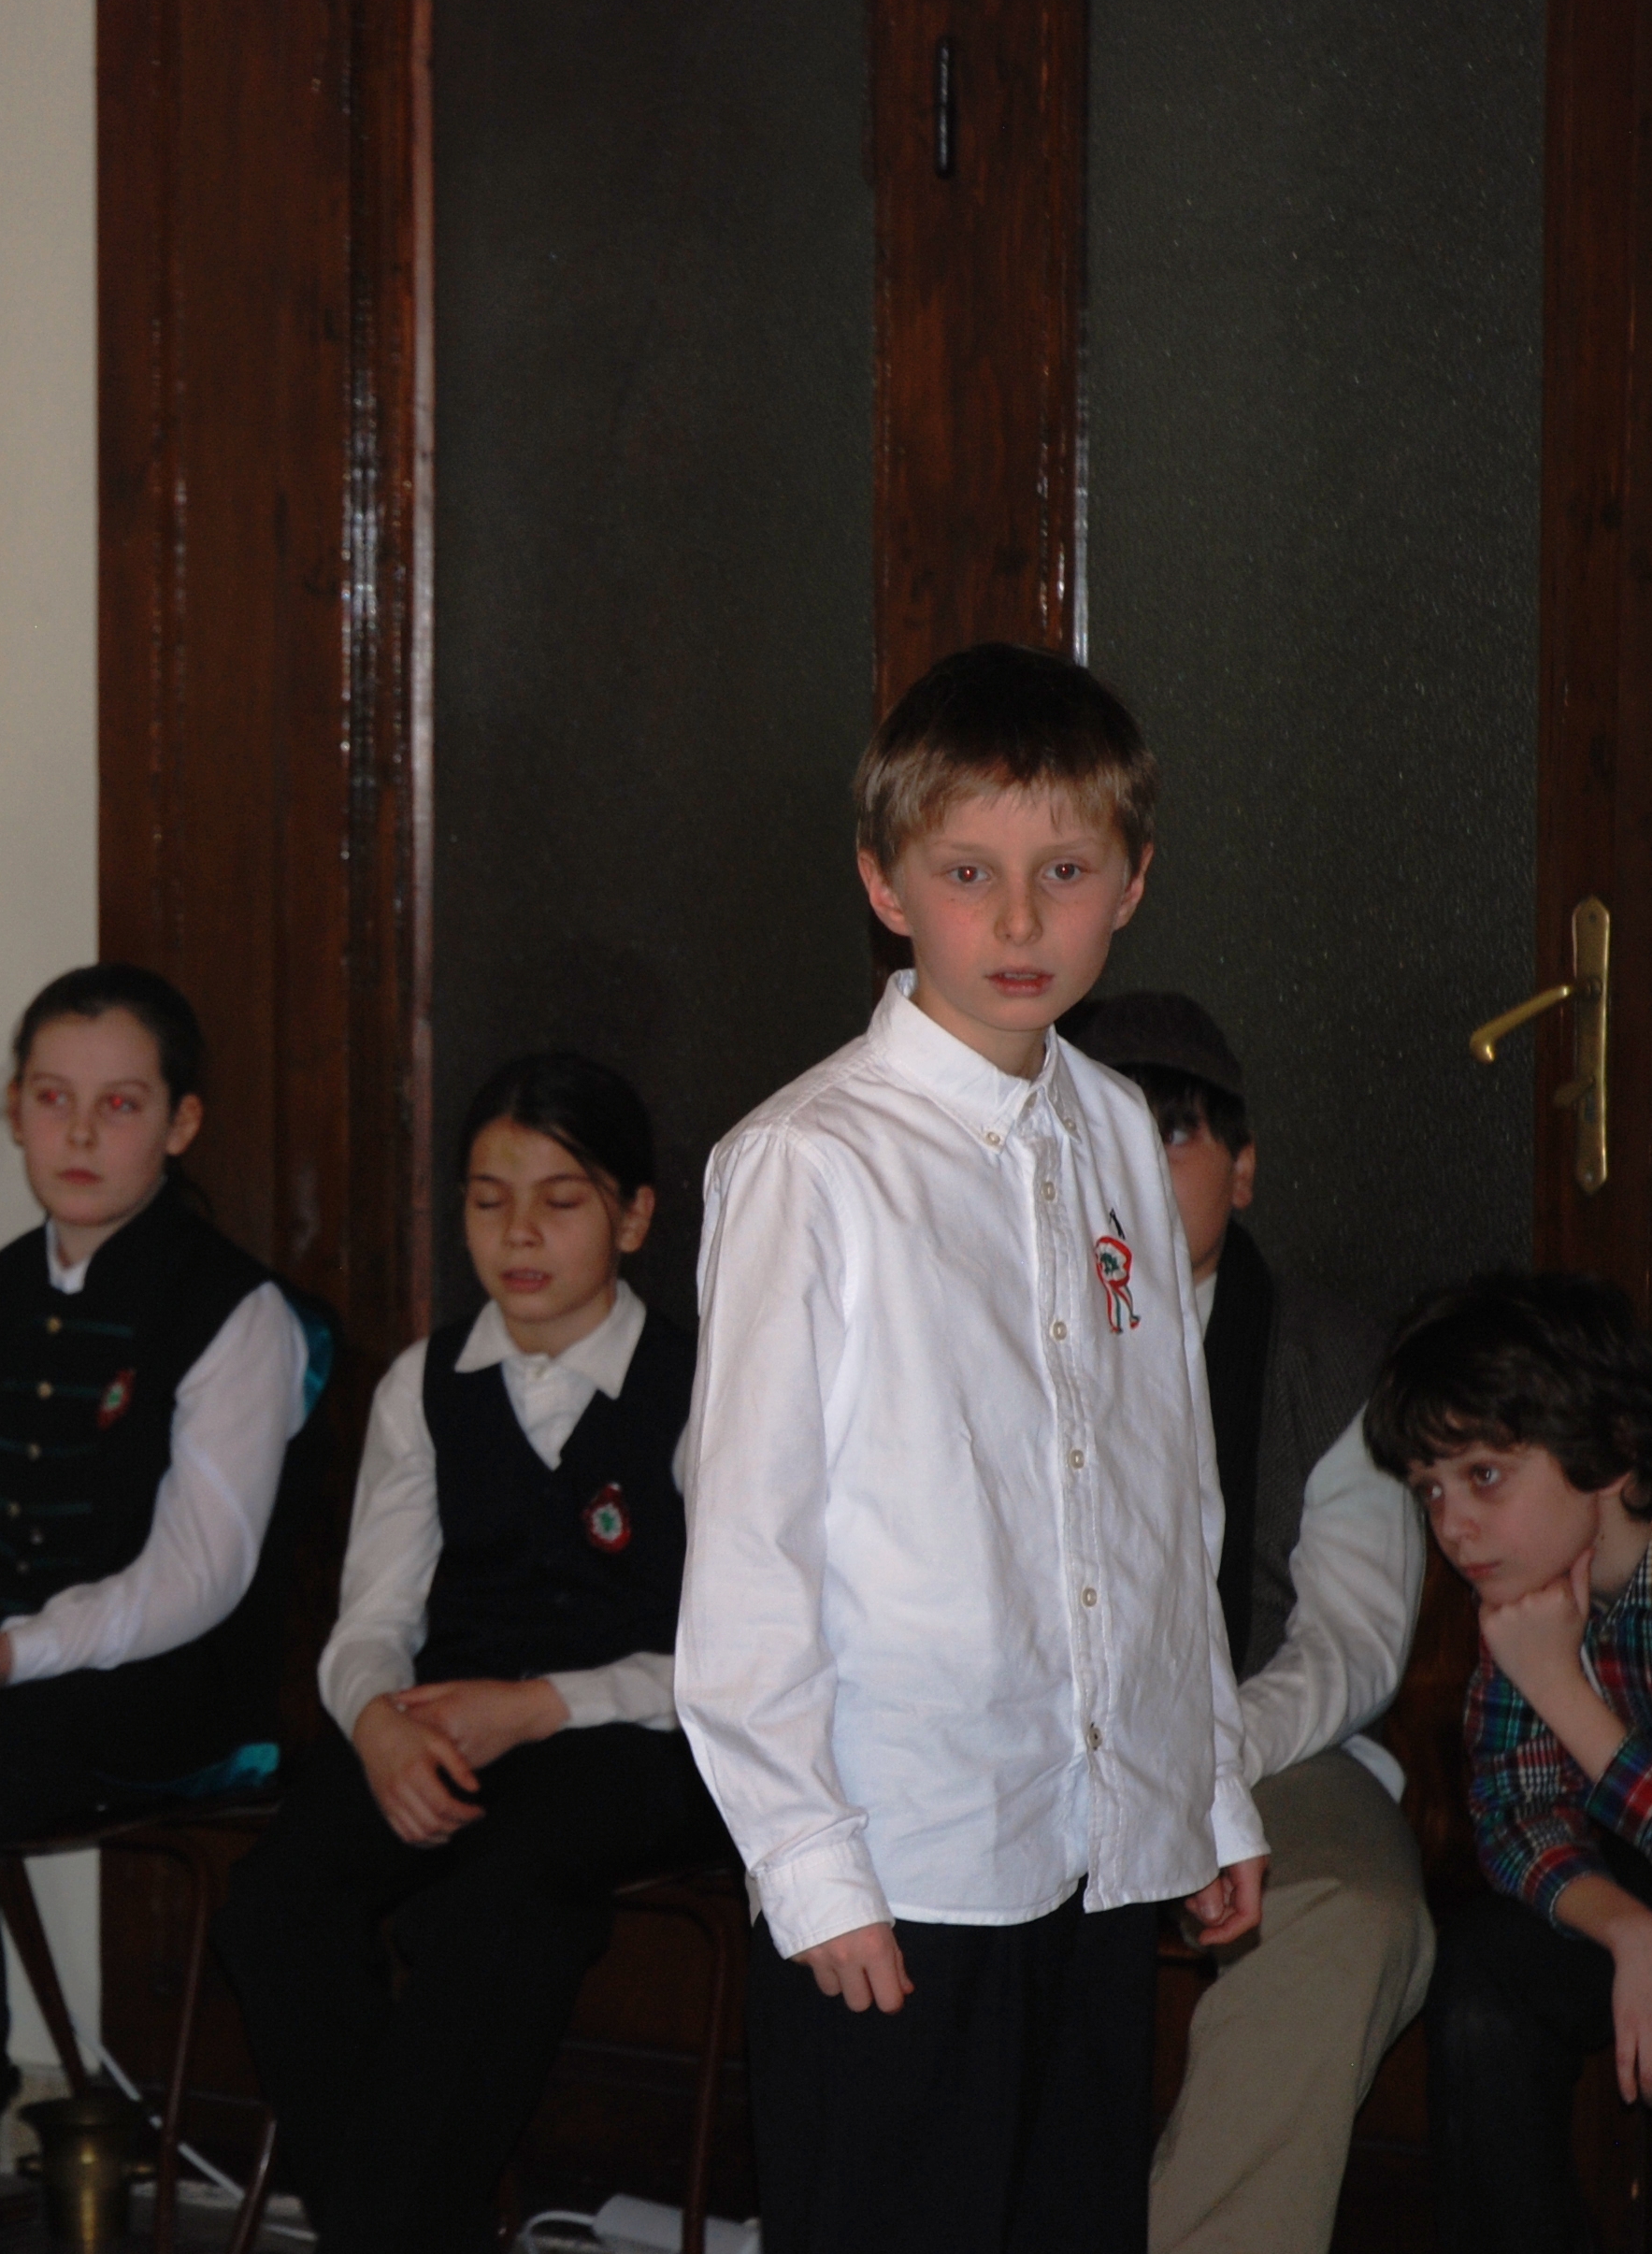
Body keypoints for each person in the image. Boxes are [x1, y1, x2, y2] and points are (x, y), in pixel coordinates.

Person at [672, 642, 1270, 2254]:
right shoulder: (810, 1162)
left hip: (1094, 1836)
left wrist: (1206, 1786)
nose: (1017, 922)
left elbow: (1166, 1497)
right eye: (967, 874)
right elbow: (748, 1548)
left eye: (1062, 872)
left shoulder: (1119, 1134)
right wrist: (811, 1865)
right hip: (906, 1856)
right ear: (885, 885)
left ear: (1131, 882)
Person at [213, 1051, 728, 2253]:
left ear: (632, 1216)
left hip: (634, 1731)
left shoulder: (700, 1385)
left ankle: (378, 2233)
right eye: (488, 1201)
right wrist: (374, 1725)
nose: (518, 1234)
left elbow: (737, 1651)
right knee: (276, 1904)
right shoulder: (424, 1383)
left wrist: (540, 1705)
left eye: (559, 1200)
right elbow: (370, 1621)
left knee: (494, 1900)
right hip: (445, 1726)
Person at [0, 965, 314, 2254]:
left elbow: (197, 1576)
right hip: (0, 1662)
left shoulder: (234, 1310)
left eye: (119, 1105)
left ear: (179, 1123)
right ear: (15, 1108)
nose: (77, 1133)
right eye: (51, 1098)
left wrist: (19, 1652)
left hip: (166, 1686)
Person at [1059, 993, 1432, 2254]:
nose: (1132, 1176)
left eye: (1168, 1136)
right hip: (1038, 1744)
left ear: (1244, 1167)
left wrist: (1209, 1753)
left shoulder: (1331, 1357)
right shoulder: (987, 1331)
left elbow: (1350, 1644)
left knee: (1348, 1918)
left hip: (1267, 1738)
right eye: (1096, 1141)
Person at [1369, 1269, 1652, 2254]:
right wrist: (1627, 1931)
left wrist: (1557, 1688)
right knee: (1480, 1977)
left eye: (1484, 1476)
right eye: (1430, 1489)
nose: (1453, 1526)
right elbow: (1514, 1816)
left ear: (1608, 1447)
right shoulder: (1520, 1584)